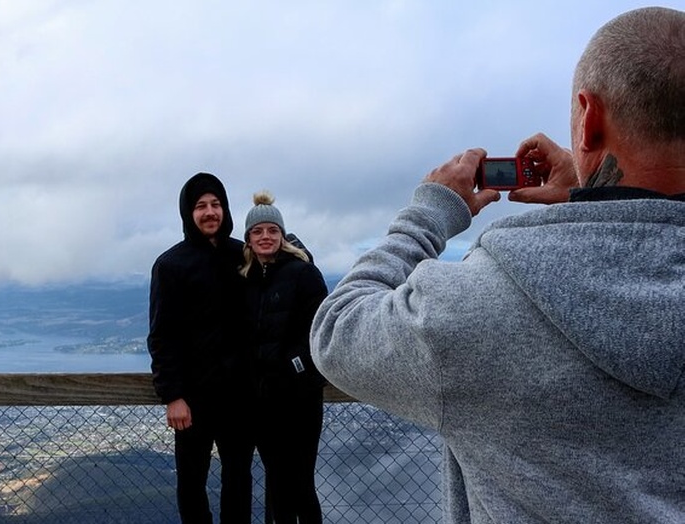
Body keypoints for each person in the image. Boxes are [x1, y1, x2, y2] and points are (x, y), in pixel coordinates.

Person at [310, 6, 685, 524]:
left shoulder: (475, 308)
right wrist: (595, 195)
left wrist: (429, 213)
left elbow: (338, 332)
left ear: (589, 118)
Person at [147, 172, 254, 524]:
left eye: (216, 204)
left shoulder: (244, 255)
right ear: (187, 213)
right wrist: (173, 396)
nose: (210, 212)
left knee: (239, 479)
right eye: (200, 206)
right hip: (192, 399)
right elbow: (161, 336)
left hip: (239, 394)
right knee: (191, 482)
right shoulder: (170, 265)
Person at [240, 191, 328, 524]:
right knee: (276, 481)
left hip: (300, 398)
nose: (265, 237)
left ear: (282, 234)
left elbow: (320, 331)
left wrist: (293, 368)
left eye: (272, 231)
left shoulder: (303, 273)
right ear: (248, 238)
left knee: (300, 482)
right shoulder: (245, 278)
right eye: (258, 231)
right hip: (261, 401)